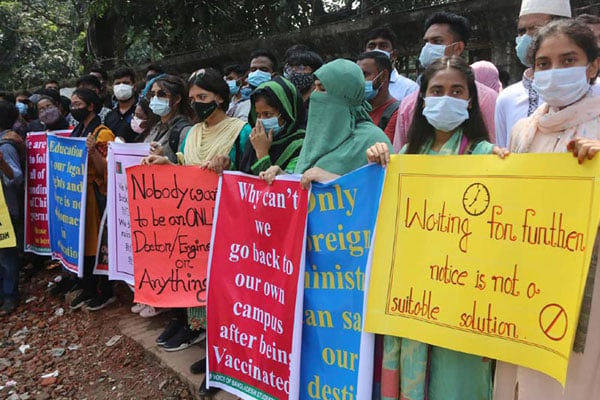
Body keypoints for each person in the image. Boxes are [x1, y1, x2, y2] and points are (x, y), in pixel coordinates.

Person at [366, 56, 507, 400]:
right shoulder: (406, 159)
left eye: (457, 91)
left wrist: (509, 172)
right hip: (412, 296)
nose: (447, 97)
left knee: (456, 383)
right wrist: (377, 162)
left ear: (471, 101)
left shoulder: (487, 156)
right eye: (438, 90)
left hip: (462, 298)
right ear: (424, 99)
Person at [495, 18, 600, 400]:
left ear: (592, 66)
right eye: (544, 63)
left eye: (568, 60)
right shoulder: (524, 130)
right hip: (526, 283)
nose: (555, 72)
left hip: (587, 285)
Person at [143, 68, 250, 397]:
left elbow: (250, 177)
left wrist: (228, 168)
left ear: (220, 97)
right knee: (202, 297)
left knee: (227, 297)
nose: (198, 103)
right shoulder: (191, 133)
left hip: (230, 228)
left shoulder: (241, 131)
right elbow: (188, 174)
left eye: (203, 97)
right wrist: (167, 167)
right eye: (193, 99)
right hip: (193, 229)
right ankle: (214, 354)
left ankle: (228, 362)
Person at [261, 58, 392, 187]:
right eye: (315, 88)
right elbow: (305, 180)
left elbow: (387, 195)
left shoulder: (374, 141)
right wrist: (283, 177)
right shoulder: (318, 136)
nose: (314, 96)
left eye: (322, 89)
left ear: (345, 95)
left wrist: (335, 181)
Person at [393, 11, 498, 150]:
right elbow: (400, 161)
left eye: (437, 41)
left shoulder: (487, 99)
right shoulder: (409, 103)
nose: (428, 48)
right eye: (426, 42)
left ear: (458, 47)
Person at [494, 0, 571, 148]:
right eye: (521, 31)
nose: (525, 37)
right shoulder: (506, 98)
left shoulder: (596, 91)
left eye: (534, 29)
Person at [66, 88, 116, 311]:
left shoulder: (102, 133)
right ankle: (86, 288)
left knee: (99, 245)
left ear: (91, 106)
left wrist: (93, 151)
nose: (74, 108)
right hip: (78, 199)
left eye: (78, 104)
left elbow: (107, 171)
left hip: (96, 199)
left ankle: (104, 291)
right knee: (82, 244)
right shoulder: (77, 129)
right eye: (72, 104)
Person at [239, 76, 305, 175]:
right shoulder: (254, 140)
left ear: (286, 114)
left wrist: (262, 154)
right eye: (258, 115)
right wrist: (225, 165)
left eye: (267, 114)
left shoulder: (300, 147)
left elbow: (286, 187)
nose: (261, 121)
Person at [0, 101, 24, 315]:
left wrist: (3, 165)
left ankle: (10, 295)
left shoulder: (5, 146)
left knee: (7, 255)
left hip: (6, 210)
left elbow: (16, 178)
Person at [144, 75, 193, 163]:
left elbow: (186, 168)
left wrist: (164, 160)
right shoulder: (156, 127)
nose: (155, 98)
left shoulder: (185, 131)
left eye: (161, 94)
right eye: (152, 95)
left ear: (177, 99)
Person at [363, 27, 419, 101]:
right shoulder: (357, 84)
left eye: (383, 46)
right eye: (371, 46)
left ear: (394, 55)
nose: (376, 50)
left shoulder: (409, 88)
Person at [357, 51, 400, 140]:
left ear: (383, 76)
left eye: (364, 74)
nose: (358, 80)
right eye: (356, 75)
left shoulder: (397, 113)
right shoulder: (356, 110)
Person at [104, 68, 138, 142]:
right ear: (113, 87)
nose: (121, 86)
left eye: (126, 83)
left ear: (134, 87)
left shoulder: (142, 113)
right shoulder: (109, 116)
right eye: (117, 83)